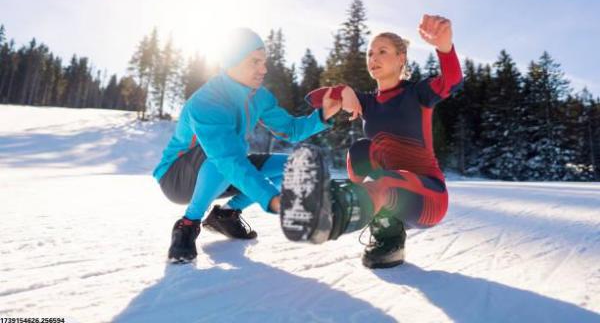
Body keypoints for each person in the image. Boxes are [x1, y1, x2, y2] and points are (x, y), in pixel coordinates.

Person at [280, 14, 463, 268]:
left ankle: (336, 212)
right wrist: (341, 92)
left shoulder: (418, 93)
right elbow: (313, 99)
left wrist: (445, 47)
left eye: (382, 51)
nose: (373, 58)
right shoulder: (367, 102)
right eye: (370, 53)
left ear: (401, 59)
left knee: (383, 180)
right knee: (360, 151)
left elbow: (452, 80)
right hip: (390, 189)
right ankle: (388, 232)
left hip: (428, 196)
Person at [153, 28, 342, 263]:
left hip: (223, 167)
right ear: (233, 61)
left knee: (294, 165)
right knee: (229, 154)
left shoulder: (259, 96)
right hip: (177, 177)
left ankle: (226, 215)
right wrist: (271, 199)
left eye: (264, 62)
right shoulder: (207, 101)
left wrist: (323, 115)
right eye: (255, 62)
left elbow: (291, 129)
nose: (263, 69)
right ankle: (187, 225)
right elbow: (228, 160)